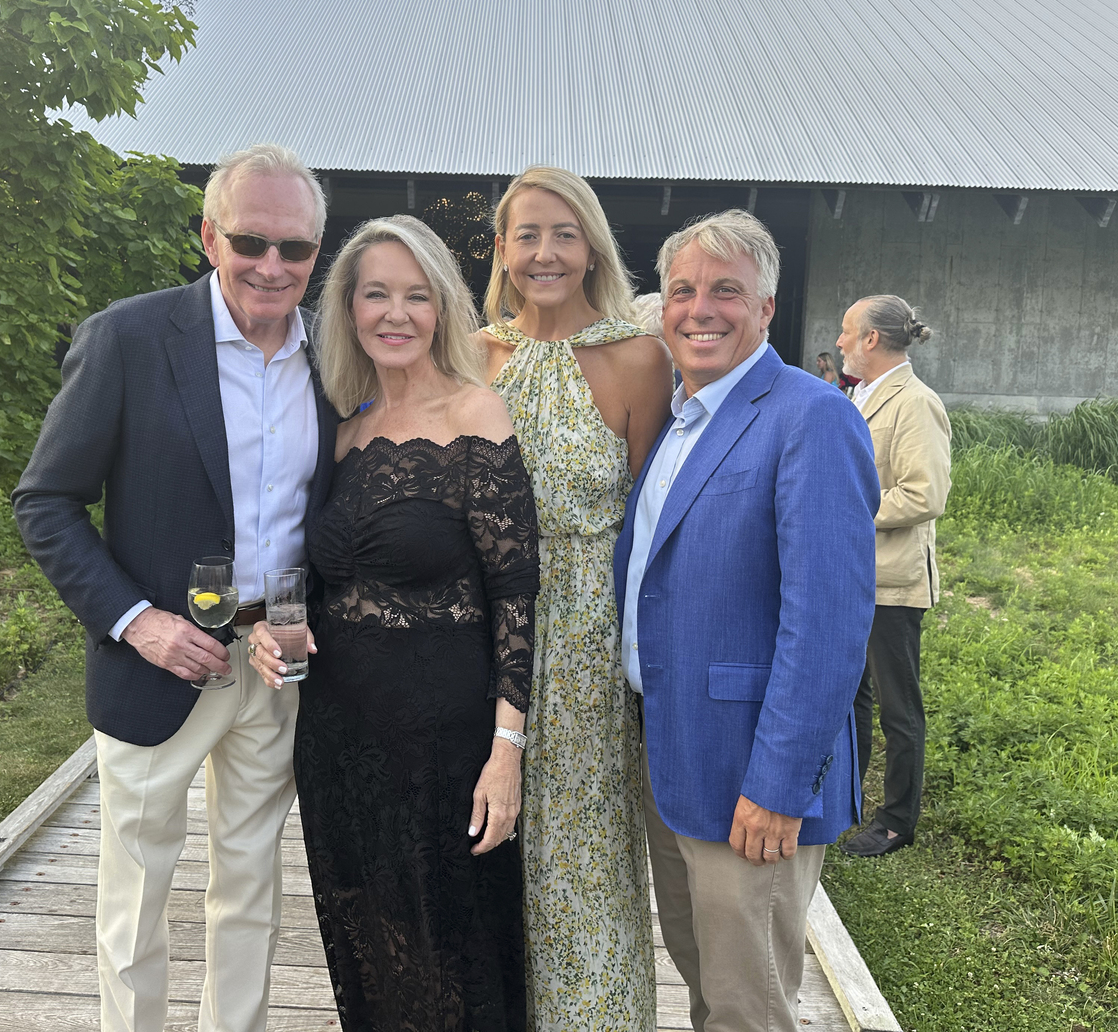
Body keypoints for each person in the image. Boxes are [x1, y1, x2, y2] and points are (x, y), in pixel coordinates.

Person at [12, 143, 339, 1032]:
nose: (272, 265)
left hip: (277, 671)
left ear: (318, 251)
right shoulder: (127, 337)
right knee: (136, 893)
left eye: (296, 248)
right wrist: (135, 622)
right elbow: (45, 502)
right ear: (208, 236)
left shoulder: (336, 362)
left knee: (250, 884)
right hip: (158, 664)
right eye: (251, 239)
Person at [246, 215, 539, 1031]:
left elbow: (518, 597)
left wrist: (505, 752)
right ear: (348, 308)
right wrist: (279, 627)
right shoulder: (342, 432)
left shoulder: (478, 415)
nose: (395, 313)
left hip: (444, 743)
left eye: (416, 295)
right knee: (367, 939)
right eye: (376, 293)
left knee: (456, 946)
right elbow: (312, 580)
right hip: (340, 735)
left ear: (442, 308)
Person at [615, 209, 878, 1032]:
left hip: (751, 780)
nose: (700, 308)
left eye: (726, 291)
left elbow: (829, 625)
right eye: (683, 289)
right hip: (677, 758)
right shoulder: (683, 418)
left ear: (767, 307)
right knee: (708, 986)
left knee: (748, 1007)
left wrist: (776, 787)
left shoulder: (810, 416)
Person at [478, 167, 673, 1030]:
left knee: (580, 861)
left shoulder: (636, 357)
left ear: (590, 243)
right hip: (478, 631)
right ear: (502, 250)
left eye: (563, 233)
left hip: (588, 643)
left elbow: (654, 523)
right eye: (528, 235)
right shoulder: (471, 353)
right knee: (485, 844)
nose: (545, 252)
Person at [835, 295, 951, 858]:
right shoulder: (863, 395)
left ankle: (897, 821)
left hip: (893, 583)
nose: (839, 341)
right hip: (855, 576)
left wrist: (843, 509)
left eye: (846, 331)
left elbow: (924, 494)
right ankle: (850, 802)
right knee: (850, 695)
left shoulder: (916, 403)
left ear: (872, 340)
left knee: (898, 709)